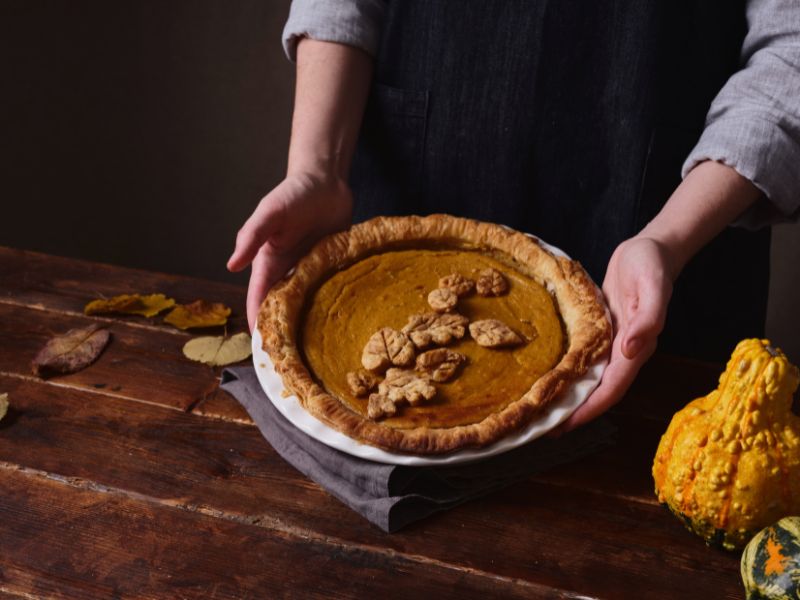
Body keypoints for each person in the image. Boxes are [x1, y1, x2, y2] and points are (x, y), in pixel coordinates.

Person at [228, 0, 800, 432]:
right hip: (400, 227)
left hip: (668, 246)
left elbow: (791, 46)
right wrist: (317, 170)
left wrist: (668, 239)